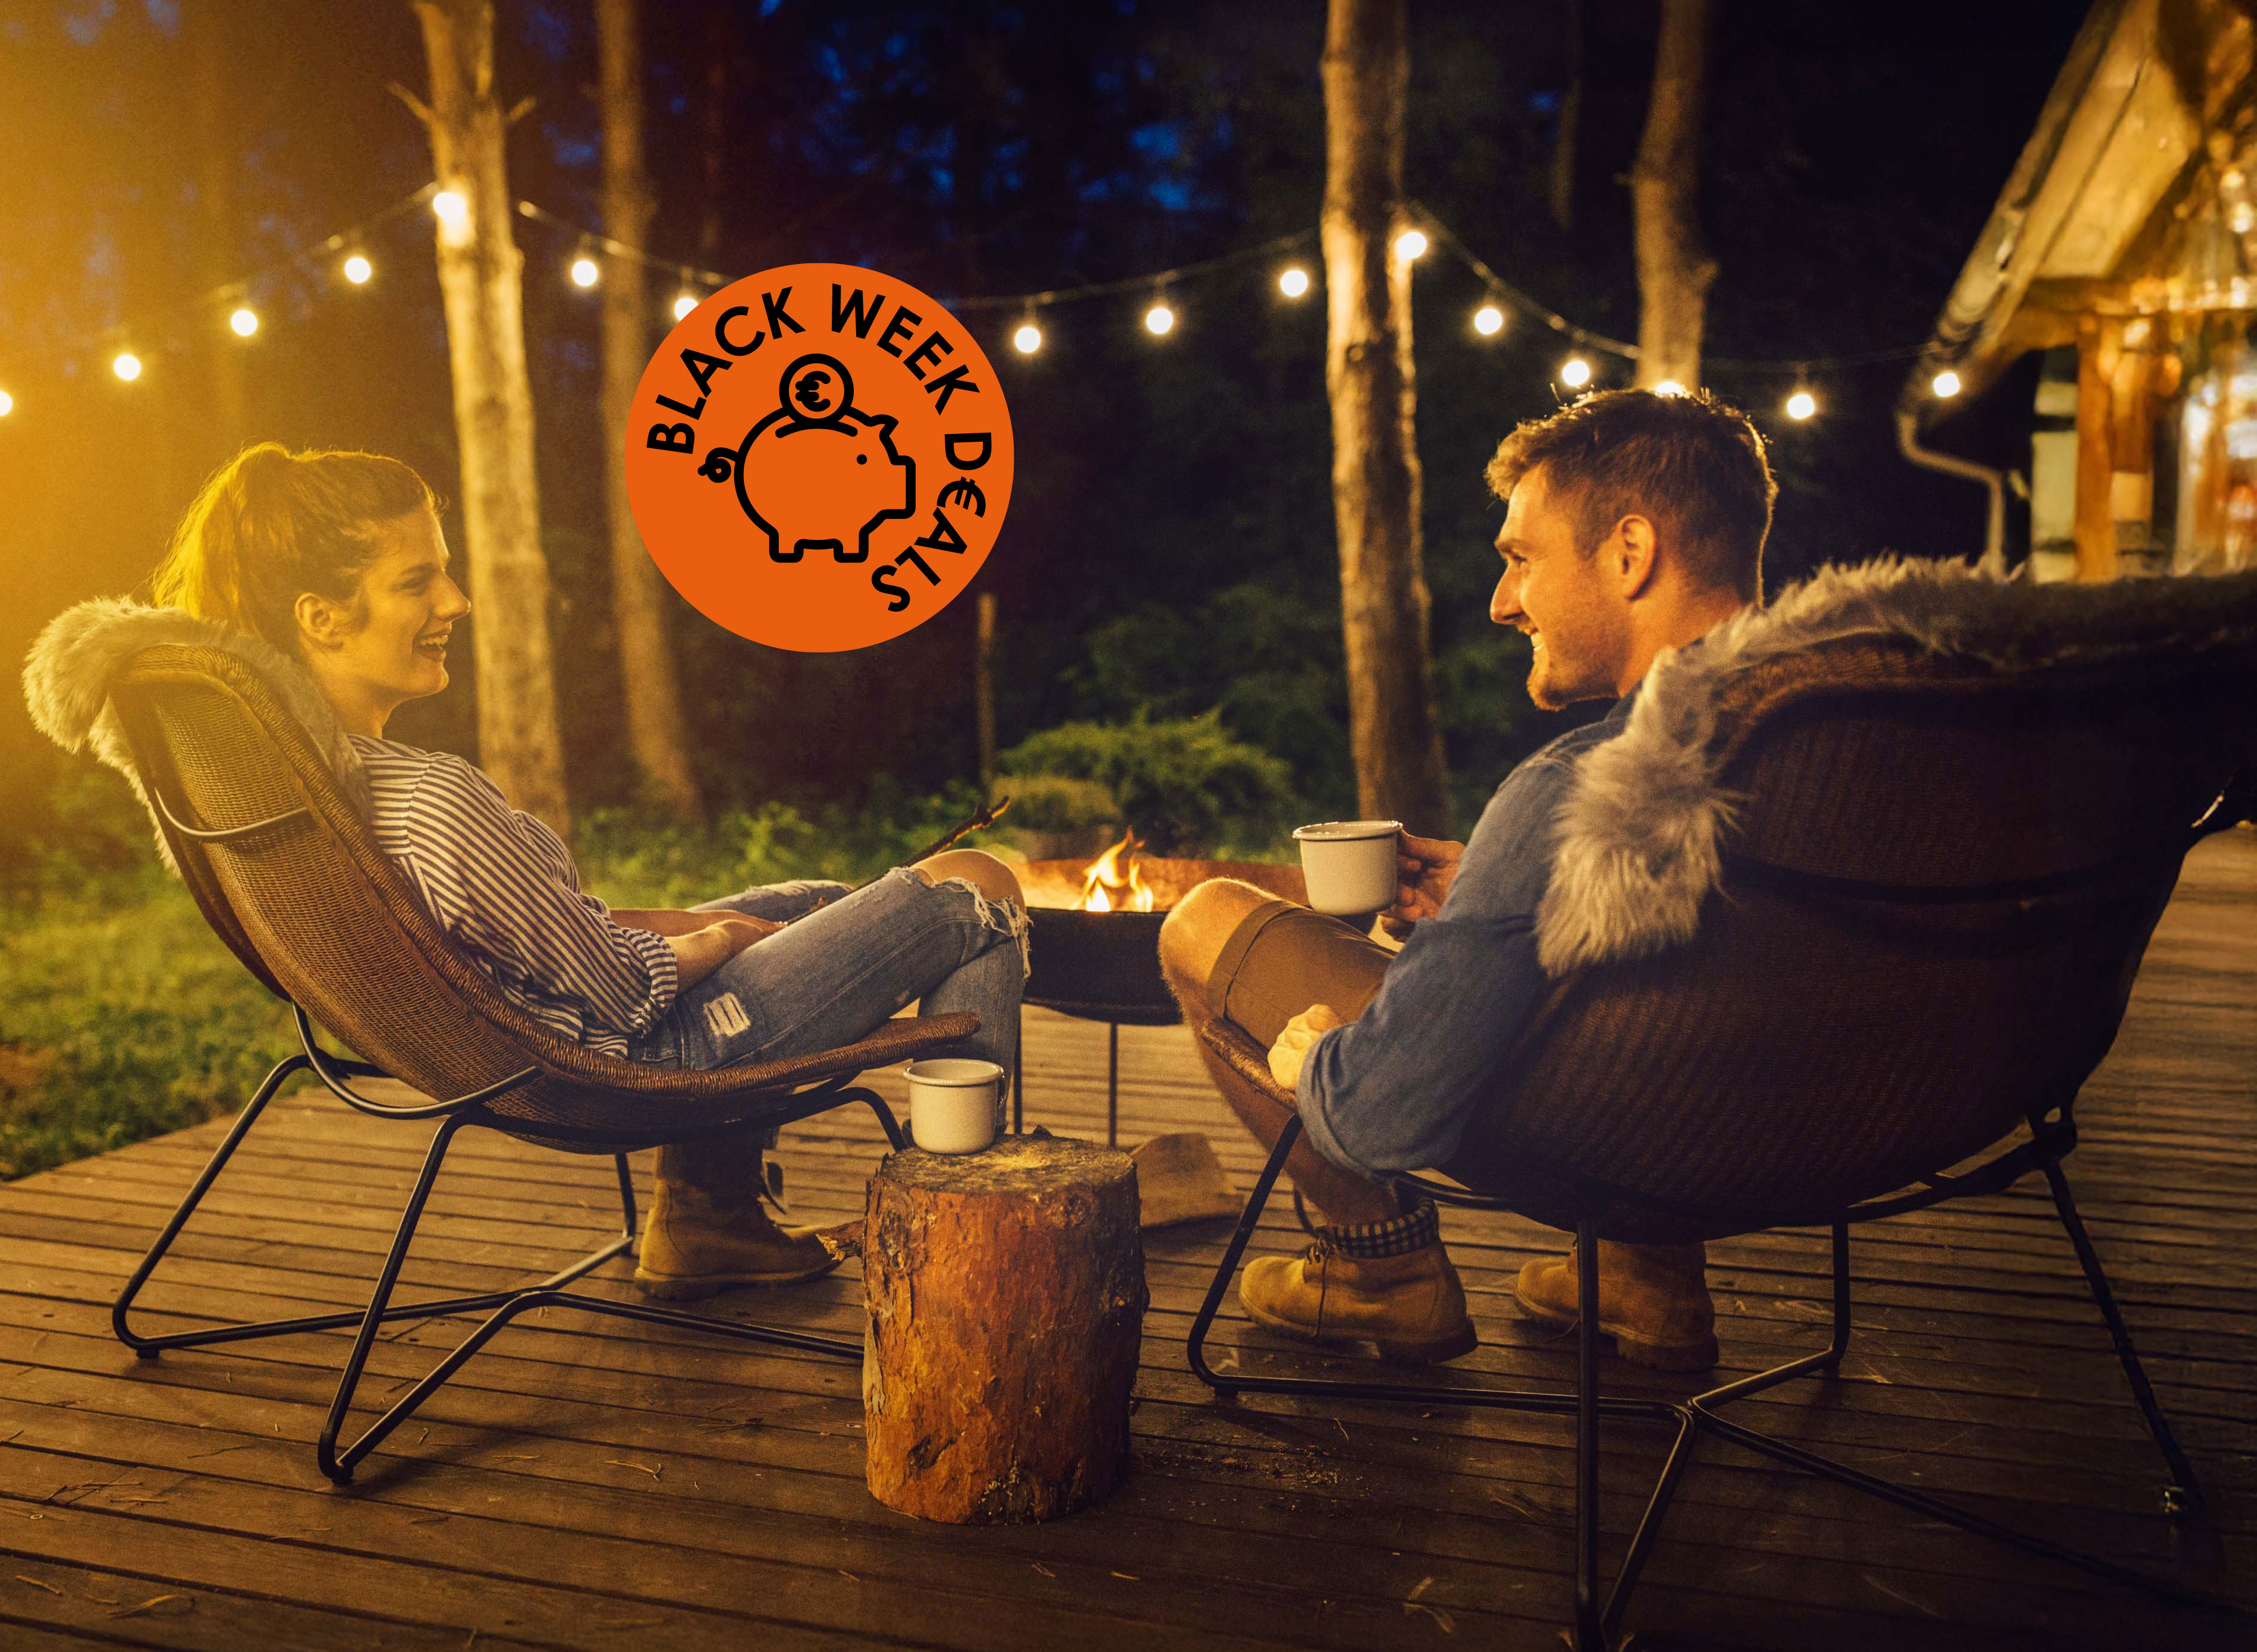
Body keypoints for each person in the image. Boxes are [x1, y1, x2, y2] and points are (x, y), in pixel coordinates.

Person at [146, 444, 1026, 1301]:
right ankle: (971, 1233)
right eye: (416, 582)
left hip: (521, 1054)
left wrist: (693, 929)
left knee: (815, 904)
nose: (455, 600)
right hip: (636, 1062)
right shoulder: (429, 802)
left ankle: (708, 1218)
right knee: (975, 887)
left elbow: (530, 945)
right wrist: (715, 940)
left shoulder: (315, 797)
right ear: (321, 617)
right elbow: (621, 992)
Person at [1159, 387, 1778, 1369]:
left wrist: (1313, 1063)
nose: (1501, 602)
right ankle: (1646, 1278)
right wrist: (1504, 894)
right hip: (1804, 1124)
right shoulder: (1831, 743)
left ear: (1630, 552)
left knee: (1202, 920)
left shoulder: (1576, 787)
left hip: (1616, 1141)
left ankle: (1382, 1271)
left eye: (1520, 559)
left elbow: (1377, 1115)